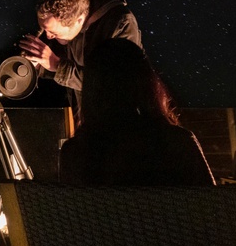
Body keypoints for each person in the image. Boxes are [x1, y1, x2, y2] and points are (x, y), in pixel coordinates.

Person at [58, 38, 215, 186]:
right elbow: (213, 204)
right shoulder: (178, 143)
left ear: (91, 90)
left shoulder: (74, 152)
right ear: (146, 82)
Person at [18, 0, 141, 127]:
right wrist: (37, 65)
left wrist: (58, 66)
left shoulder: (121, 24)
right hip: (87, 124)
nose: (49, 37)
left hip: (119, 127)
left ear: (79, 20)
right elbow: (70, 73)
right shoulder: (72, 27)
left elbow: (116, 85)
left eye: (54, 33)